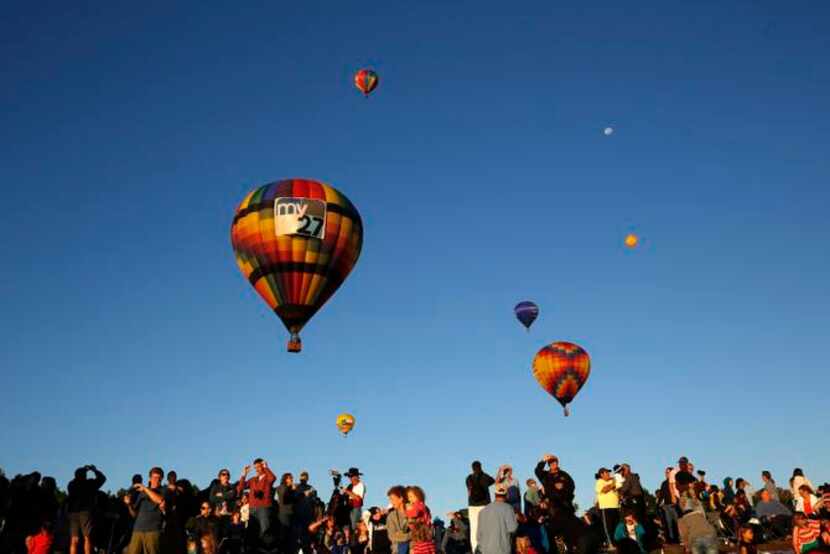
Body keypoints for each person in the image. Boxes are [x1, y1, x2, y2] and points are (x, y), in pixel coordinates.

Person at [534, 454, 580, 553]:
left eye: (554, 462)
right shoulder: (545, 475)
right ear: (549, 464)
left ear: (557, 463)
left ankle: (571, 550)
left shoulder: (564, 475)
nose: (553, 464)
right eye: (550, 463)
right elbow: (537, 471)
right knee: (550, 533)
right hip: (552, 509)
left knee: (569, 532)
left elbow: (572, 487)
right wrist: (543, 460)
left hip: (565, 507)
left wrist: (563, 487)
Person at [124, 467, 166, 554]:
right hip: (137, 530)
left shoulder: (163, 490)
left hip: (153, 531)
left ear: (162, 479)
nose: (157, 480)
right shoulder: (142, 493)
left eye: (159, 478)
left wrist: (145, 489)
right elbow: (134, 515)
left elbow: (160, 500)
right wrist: (129, 505)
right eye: (154, 477)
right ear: (150, 478)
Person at [67, 464, 106, 554]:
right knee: (87, 537)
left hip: (73, 511)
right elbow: (102, 478)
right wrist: (94, 470)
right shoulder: (89, 484)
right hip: (85, 511)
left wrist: (83, 470)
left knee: (74, 539)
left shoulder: (72, 484)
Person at [236, 458, 276, 542]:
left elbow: (272, 478)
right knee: (253, 531)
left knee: (264, 530)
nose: (256, 469)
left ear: (262, 466)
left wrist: (266, 467)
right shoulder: (253, 479)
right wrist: (244, 474)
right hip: (252, 508)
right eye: (255, 467)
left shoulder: (267, 478)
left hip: (264, 507)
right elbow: (241, 487)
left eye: (258, 467)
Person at [677, 477, 717, 554]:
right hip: (710, 536)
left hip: (695, 539)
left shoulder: (682, 520)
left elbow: (684, 535)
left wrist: (687, 547)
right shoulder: (699, 512)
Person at [476, 484, 517, 554]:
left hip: (485, 550)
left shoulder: (483, 511)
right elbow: (512, 528)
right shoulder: (508, 508)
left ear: (495, 494)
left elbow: (478, 535)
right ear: (507, 495)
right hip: (502, 549)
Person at [466, 461, 495, 554]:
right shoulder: (485, 476)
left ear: (472, 468)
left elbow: (469, 489)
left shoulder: (469, 478)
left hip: (473, 505)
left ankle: (475, 550)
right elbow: (493, 481)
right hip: (485, 504)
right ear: (480, 467)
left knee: (474, 529)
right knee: (487, 527)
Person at [405, 486, 435, 554]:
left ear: (418, 496)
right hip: (421, 532)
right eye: (408, 497)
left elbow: (414, 513)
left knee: (420, 548)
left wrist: (408, 510)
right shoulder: (423, 505)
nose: (410, 499)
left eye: (411, 496)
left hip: (421, 532)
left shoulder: (418, 504)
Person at [595, 467, 620, 546]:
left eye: (609, 472)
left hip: (616, 507)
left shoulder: (612, 480)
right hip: (606, 507)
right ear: (601, 474)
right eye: (607, 472)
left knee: (616, 527)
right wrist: (613, 483)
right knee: (608, 527)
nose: (609, 474)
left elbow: (618, 490)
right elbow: (604, 490)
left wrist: (615, 481)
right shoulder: (599, 481)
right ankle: (610, 544)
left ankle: (617, 544)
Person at [387, 486, 411, 554]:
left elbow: (419, 533)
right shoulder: (391, 516)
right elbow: (392, 536)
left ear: (401, 498)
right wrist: (410, 536)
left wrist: (401, 535)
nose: (391, 502)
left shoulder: (413, 512)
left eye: (392, 499)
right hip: (397, 551)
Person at [658, 466, 679, 544]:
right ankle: (671, 540)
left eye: (668, 472)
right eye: (665, 473)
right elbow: (661, 495)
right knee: (669, 523)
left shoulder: (675, 482)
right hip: (667, 506)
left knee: (677, 522)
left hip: (675, 505)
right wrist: (658, 505)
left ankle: (679, 538)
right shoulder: (664, 483)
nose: (666, 474)